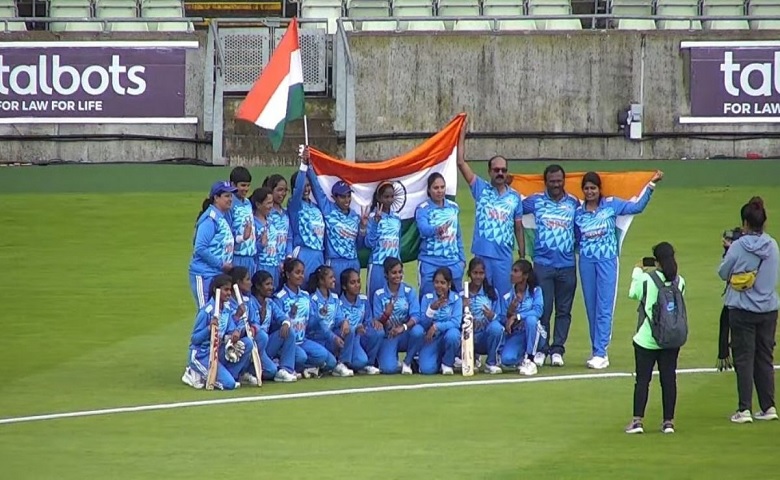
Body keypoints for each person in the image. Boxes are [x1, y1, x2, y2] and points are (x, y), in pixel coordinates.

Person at [575, 170, 663, 370]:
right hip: (586, 263)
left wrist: (650, 185)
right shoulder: (578, 213)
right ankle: (595, 350)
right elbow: (575, 239)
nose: (590, 192)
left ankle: (601, 353)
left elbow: (637, 207)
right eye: (586, 188)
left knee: (604, 307)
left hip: (607, 261)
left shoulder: (611, 205)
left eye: (593, 188)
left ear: (599, 189)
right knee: (591, 307)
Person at [718, 197, 779, 423]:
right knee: (765, 357)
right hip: (769, 309)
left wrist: (727, 252)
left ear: (745, 222)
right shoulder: (772, 245)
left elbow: (723, 273)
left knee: (744, 359)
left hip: (742, 309)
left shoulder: (738, 246)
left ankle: (744, 409)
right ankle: (768, 406)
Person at [456, 124, 525, 297]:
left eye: (503, 170)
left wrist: (522, 255)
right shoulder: (480, 188)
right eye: (496, 170)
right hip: (482, 255)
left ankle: (501, 325)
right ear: (489, 172)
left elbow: (518, 227)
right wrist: (461, 134)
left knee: (503, 299)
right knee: (480, 299)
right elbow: (460, 162)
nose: (500, 173)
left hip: (504, 257)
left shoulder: (515, 197)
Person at [521, 164, 580, 367]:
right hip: (543, 265)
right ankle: (541, 349)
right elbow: (513, 207)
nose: (556, 184)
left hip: (567, 266)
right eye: (552, 181)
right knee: (543, 310)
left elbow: (582, 227)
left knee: (564, 310)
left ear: (564, 181)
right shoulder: (536, 201)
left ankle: (557, 350)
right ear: (545, 182)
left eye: (559, 180)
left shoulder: (573, 203)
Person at [626, 242, 685, 434]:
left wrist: (637, 270)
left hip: (647, 339)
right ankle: (668, 422)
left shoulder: (646, 279)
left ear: (657, 261)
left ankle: (637, 421)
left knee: (643, 380)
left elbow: (633, 294)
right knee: (669, 379)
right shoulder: (680, 281)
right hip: (671, 338)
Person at [301, 150, 367, 293]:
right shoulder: (328, 210)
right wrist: (309, 166)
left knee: (352, 296)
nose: (347, 200)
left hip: (352, 261)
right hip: (334, 262)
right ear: (334, 197)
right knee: (334, 297)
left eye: (349, 196)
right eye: (342, 197)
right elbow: (317, 189)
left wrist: (362, 228)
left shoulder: (355, 216)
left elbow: (360, 245)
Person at [182, 274, 257, 390]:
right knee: (229, 384)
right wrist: (209, 328)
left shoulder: (226, 309)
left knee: (247, 343)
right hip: (201, 354)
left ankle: (229, 375)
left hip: (218, 350)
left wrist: (236, 325)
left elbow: (230, 330)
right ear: (215, 290)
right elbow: (194, 339)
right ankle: (193, 371)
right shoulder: (207, 311)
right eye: (226, 290)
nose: (228, 293)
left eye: (230, 290)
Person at [273, 258, 336, 378]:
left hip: (303, 340)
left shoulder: (305, 296)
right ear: (287, 274)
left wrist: (320, 315)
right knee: (301, 357)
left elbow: (310, 323)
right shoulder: (280, 297)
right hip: (287, 343)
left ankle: (306, 368)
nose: (301, 276)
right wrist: (290, 316)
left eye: (302, 272)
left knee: (323, 356)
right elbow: (275, 326)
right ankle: (279, 362)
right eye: (297, 272)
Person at [415, 172, 466, 298]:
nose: (440, 191)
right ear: (429, 190)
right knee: (427, 298)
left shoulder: (453, 207)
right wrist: (437, 230)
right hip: (430, 261)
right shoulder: (423, 208)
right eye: (436, 188)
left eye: (442, 187)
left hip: (453, 262)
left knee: (456, 298)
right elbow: (423, 230)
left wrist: (462, 260)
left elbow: (457, 235)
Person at [305, 265, 361, 377]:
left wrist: (344, 321)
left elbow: (338, 317)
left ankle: (342, 363)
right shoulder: (312, 299)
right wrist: (333, 337)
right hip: (317, 339)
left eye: (333, 277)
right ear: (321, 281)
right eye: (331, 277)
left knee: (349, 330)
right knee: (329, 362)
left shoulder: (335, 298)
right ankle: (311, 366)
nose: (334, 280)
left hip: (330, 339)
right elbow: (316, 326)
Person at [188, 181, 236, 309]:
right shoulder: (210, 219)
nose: (230, 199)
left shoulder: (222, 217)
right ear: (216, 197)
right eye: (226, 196)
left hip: (217, 274)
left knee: (217, 313)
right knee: (206, 312)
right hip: (204, 274)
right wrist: (221, 264)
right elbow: (200, 248)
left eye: (231, 196)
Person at [372, 257, 424, 374]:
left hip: (405, 334)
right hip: (390, 335)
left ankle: (408, 361)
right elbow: (378, 322)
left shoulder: (409, 291)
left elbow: (416, 316)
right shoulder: (378, 294)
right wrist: (386, 314)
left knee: (418, 331)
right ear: (386, 274)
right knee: (388, 369)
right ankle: (390, 357)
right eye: (394, 273)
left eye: (400, 272)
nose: (398, 275)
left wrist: (403, 327)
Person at [249, 269, 298, 382]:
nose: (271, 287)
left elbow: (282, 317)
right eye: (267, 284)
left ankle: (285, 370)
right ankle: (249, 370)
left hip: (268, 344)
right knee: (270, 371)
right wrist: (260, 320)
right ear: (257, 286)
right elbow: (251, 327)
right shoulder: (250, 303)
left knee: (289, 331)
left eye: (271, 284)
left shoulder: (270, 303)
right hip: (256, 346)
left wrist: (285, 323)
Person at [462, 257, 505, 374]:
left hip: (484, 338)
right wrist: (462, 307)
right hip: (466, 338)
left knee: (496, 328)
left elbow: (501, 319)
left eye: (481, 273)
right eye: (475, 273)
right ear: (469, 274)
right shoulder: (462, 294)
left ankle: (491, 363)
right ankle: (468, 357)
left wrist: (492, 315)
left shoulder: (492, 293)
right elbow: (455, 319)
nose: (478, 276)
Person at [501, 259, 544, 376]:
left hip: (536, 332)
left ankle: (530, 359)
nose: (511, 274)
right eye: (512, 270)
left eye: (515, 271)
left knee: (531, 320)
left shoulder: (536, 291)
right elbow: (505, 321)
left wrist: (518, 316)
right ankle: (522, 358)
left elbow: (538, 311)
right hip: (518, 334)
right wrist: (510, 312)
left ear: (525, 275)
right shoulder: (508, 297)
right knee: (506, 360)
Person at [419, 267, 463, 375]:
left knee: (453, 334)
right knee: (427, 369)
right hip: (432, 339)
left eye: (443, 283)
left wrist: (436, 326)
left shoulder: (456, 299)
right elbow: (423, 323)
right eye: (436, 282)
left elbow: (456, 322)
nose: (439, 286)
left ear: (449, 284)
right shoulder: (427, 298)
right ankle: (432, 359)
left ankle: (447, 363)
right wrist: (431, 310)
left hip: (448, 336)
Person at [365, 181, 402, 307]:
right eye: (386, 197)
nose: (389, 200)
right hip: (378, 265)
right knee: (374, 301)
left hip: (393, 267)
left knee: (393, 301)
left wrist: (399, 264)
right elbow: (369, 243)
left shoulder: (396, 218)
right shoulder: (371, 216)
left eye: (392, 196)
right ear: (378, 197)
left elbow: (398, 243)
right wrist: (375, 222)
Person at [340, 268, 383, 375]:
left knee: (378, 332)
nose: (357, 285)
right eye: (352, 283)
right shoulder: (338, 303)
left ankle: (369, 363)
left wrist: (368, 326)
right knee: (360, 361)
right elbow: (337, 325)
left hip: (360, 337)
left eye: (358, 281)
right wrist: (355, 328)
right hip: (347, 339)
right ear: (344, 286)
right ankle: (343, 363)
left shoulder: (363, 299)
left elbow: (368, 320)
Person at [290, 160, 327, 279]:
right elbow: (298, 190)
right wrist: (303, 166)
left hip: (319, 255)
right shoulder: (295, 205)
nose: (306, 189)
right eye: (304, 186)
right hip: (303, 253)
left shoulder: (317, 208)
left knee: (317, 289)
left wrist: (310, 168)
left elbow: (318, 190)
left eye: (308, 185)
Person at [261, 174, 293, 287]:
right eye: (279, 190)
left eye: (285, 190)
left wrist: (288, 259)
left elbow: (289, 238)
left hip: (283, 266)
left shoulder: (285, 213)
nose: (283, 194)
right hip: (269, 263)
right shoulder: (266, 214)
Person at [226, 167, 256, 275]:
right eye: (243, 185)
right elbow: (227, 233)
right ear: (233, 184)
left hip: (251, 256)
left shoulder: (248, 202)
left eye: (248, 185)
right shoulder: (230, 204)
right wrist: (242, 238)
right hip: (237, 256)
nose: (246, 189)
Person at [249, 187, 278, 285]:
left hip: (274, 266)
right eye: (268, 203)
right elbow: (250, 249)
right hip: (261, 266)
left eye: (272, 202)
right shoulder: (253, 223)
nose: (271, 206)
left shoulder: (271, 221)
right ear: (258, 204)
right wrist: (261, 244)